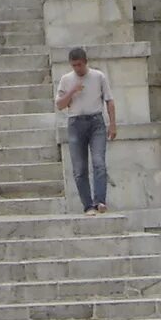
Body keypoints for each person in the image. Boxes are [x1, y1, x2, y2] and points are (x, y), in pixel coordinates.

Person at [54, 46, 118, 215]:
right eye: (74, 65)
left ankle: (100, 201)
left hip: (96, 121)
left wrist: (112, 124)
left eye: (80, 65)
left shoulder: (98, 76)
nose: (77, 68)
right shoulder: (66, 79)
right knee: (79, 168)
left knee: (99, 162)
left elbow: (109, 101)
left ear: (85, 62)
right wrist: (72, 91)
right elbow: (60, 105)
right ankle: (88, 205)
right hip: (75, 123)